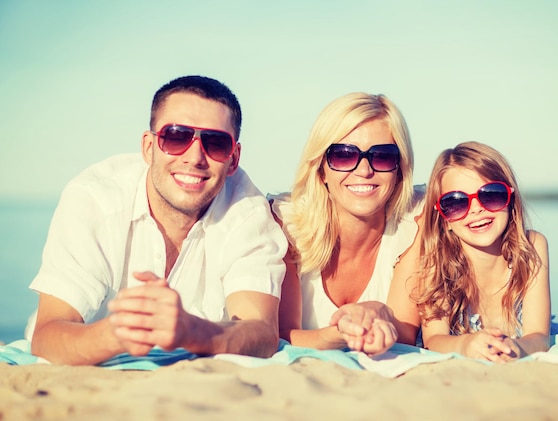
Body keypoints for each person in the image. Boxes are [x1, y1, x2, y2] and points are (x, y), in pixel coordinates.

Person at [27, 75, 288, 365]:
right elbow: (47, 335)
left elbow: (262, 332)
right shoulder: (95, 199)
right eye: (176, 136)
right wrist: (119, 333)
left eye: (215, 143)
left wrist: (192, 331)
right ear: (148, 147)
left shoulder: (247, 212)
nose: (195, 157)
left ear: (234, 158)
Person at [270, 92, 424, 356]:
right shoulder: (285, 224)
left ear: (400, 169)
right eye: (343, 155)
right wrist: (341, 332)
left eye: (383, 156)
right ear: (321, 168)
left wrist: (380, 311)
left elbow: (406, 334)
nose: (364, 171)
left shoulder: (415, 222)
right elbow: (281, 335)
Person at [410, 141, 550, 362]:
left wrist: (514, 348)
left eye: (490, 195)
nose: (476, 209)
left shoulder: (532, 247)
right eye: (456, 203)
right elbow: (434, 339)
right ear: (443, 218)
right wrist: (466, 345)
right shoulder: (438, 258)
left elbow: (540, 336)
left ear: (510, 198)